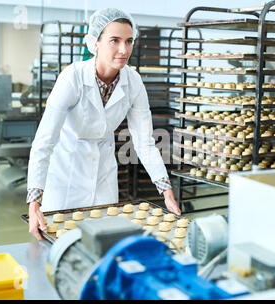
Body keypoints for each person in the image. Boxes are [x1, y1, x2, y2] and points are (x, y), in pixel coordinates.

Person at [27, 8, 181, 240]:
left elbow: (144, 143)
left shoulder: (134, 82)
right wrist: (34, 201)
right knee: (61, 247)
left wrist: (166, 191)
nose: (124, 50)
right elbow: (45, 140)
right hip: (66, 173)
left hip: (104, 175)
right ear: (95, 43)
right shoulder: (72, 78)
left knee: (103, 244)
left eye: (129, 41)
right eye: (114, 41)